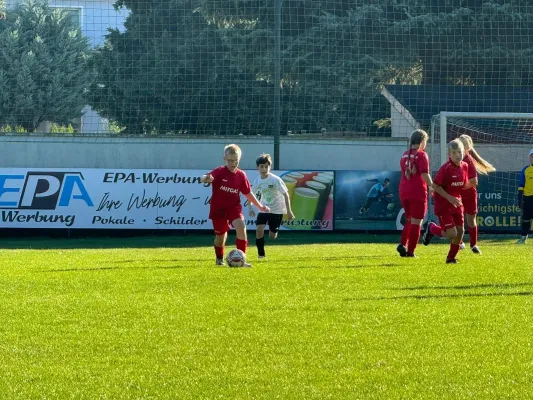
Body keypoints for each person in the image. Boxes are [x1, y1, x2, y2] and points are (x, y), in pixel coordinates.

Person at [200, 144, 269, 267]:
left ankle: (242, 259)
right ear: (224, 159)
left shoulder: (241, 175)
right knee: (221, 238)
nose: (233, 163)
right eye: (230, 160)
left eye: (235, 160)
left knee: (241, 226)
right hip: (218, 209)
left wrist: (260, 206)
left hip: (234, 208)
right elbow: (207, 177)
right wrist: (205, 178)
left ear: (239, 159)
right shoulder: (219, 171)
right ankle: (219, 258)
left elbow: (247, 193)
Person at [422, 139, 469, 263]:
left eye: (459, 152)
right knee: (452, 234)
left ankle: (451, 258)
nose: (457, 155)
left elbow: (461, 185)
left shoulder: (465, 166)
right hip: (443, 205)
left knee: (460, 232)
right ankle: (432, 228)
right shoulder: (446, 169)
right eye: (453, 152)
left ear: (463, 152)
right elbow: (435, 186)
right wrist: (450, 198)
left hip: (457, 204)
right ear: (449, 154)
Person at [248, 154, 295, 260]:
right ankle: (261, 255)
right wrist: (250, 208)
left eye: (266, 166)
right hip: (264, 209)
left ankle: (274, 231)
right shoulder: (257, 181)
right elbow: (251, 195)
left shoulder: (275, 180)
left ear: (269, 167)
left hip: (277, 210)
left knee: (272, 236)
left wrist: (289, 212)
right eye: (261, 166)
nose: (264, 169)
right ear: (257, 167)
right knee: (259, 229)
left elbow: (286, 195)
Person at [457, 134, 496, 254]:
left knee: (471, 220)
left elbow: (474, 182)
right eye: (460, 146)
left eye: (463, 146)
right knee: (457, 219)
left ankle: (473, 245)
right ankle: (459, 242)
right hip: (457, 194)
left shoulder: (468, 160)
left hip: (468, 194)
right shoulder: (454, 158)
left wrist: (460, 185)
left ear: (467, 148)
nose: (461, 149)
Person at [397, 129, 433, 257]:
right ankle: (411, 252)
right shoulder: (422, 155)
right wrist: (432, 187)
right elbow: (424, 174)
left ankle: (402, 243)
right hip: (417, 191)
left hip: (404, 191)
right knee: (417, 222)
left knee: (410, 220)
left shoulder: (404, 154)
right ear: (423, 141)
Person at [516, 149, 533, 244]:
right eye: (532, 156)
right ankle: (523, 238)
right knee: (526, 218)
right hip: (528, 198)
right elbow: (521, 185)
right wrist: (519, 199)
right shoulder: (525, 170)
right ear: (529, 158)